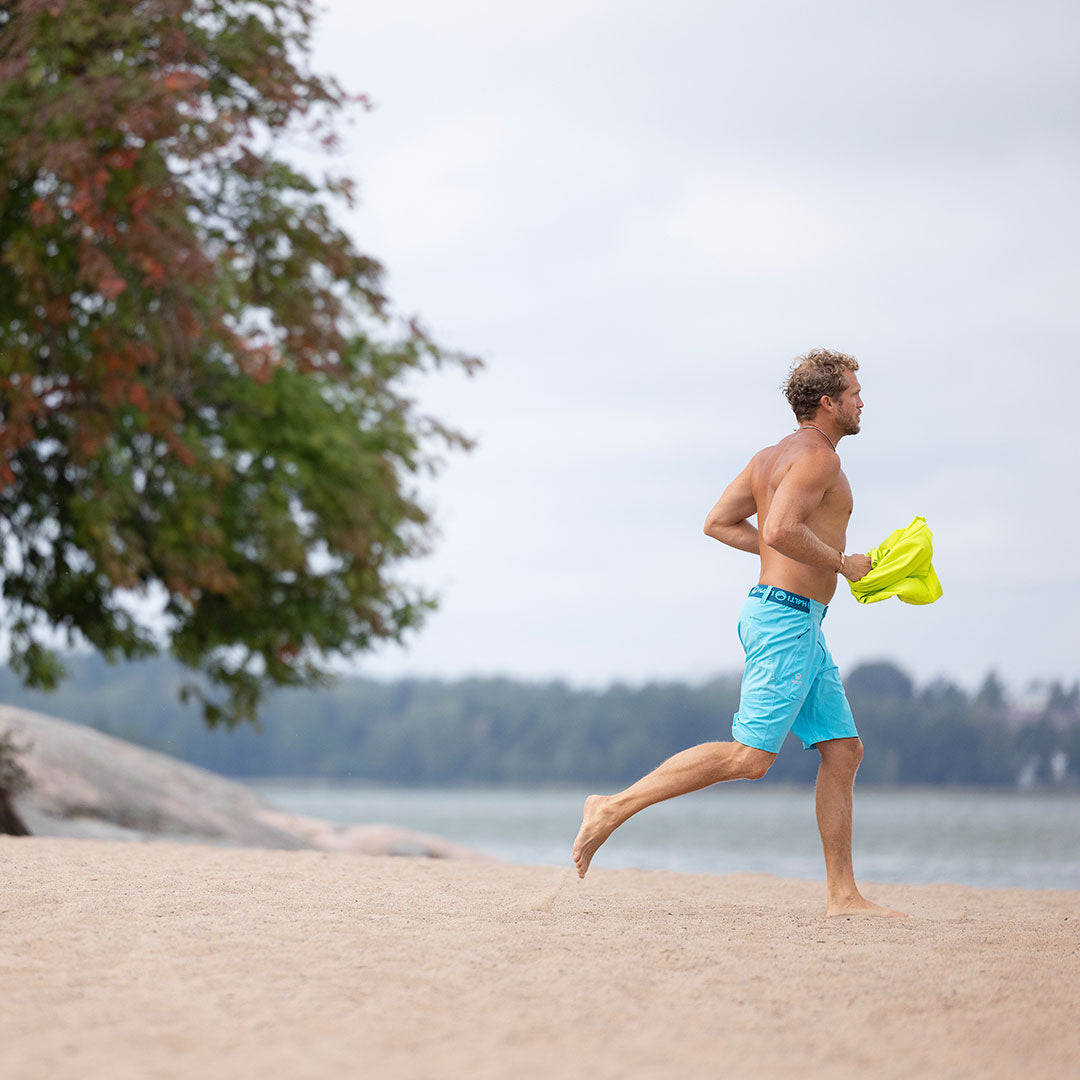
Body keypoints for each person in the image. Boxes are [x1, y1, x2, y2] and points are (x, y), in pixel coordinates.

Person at [571, 348, 905, 917]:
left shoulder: (768, 458)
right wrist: (839, 562)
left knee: (843, 751)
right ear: (828, 403)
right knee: (750, 757)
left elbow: (720, 523)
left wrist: (800, 559)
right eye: (853, 392)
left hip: (795, 617)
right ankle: (610, 808)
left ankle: (843, 895)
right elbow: (779, 527)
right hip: (784, 618)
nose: (861, 401)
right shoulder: (820, 460)